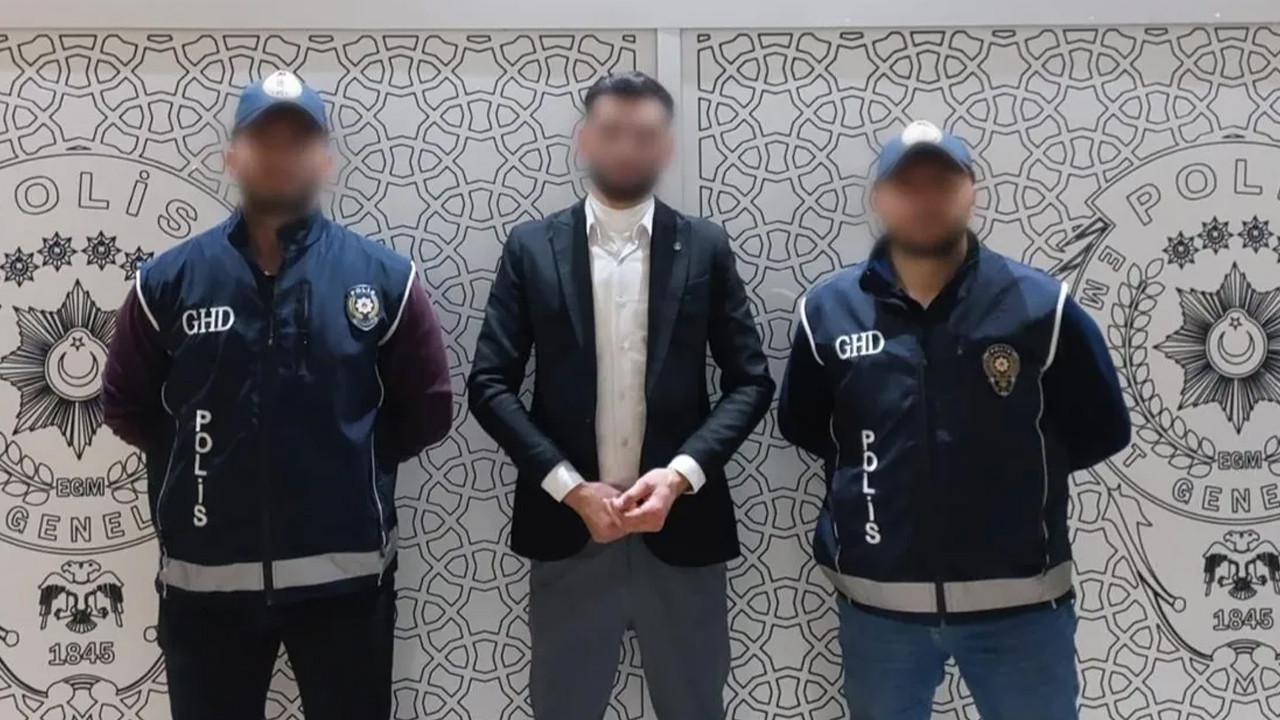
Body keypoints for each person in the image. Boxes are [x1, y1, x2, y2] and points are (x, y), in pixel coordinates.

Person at [101, 70, 453, 720]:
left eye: (299, 142)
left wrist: (349, 464)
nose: (281, 155)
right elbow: (126, 404)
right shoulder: (170, 280)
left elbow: (427, 409)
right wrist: (200, 467)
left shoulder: (384, 278)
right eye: (264, 140)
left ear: (325, 161)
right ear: (233, 157)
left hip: (347, 586)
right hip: (205, 583)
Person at [777, 120, 1131, 720]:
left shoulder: (1042, 305)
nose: (925, 199)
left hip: (1021, 608)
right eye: (906, 185)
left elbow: (1102, 428)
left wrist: (1010, 486)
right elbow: (808, 426)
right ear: (878, 198)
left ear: (973, 192)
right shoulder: (828, 311)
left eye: (942, 183)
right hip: (880, 611)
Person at [467, 71, 774, 720]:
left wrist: (679, 476)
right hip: (569, 529)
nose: (627, 147)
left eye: (644, 135)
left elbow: (750, 381)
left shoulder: (705, 246)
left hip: (683, 528)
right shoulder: (532, 248)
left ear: (667, 148)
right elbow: (489, 385)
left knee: (694, 709)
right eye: (611, 132)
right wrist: (569, 487)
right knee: (563, 709)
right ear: (585, 140)